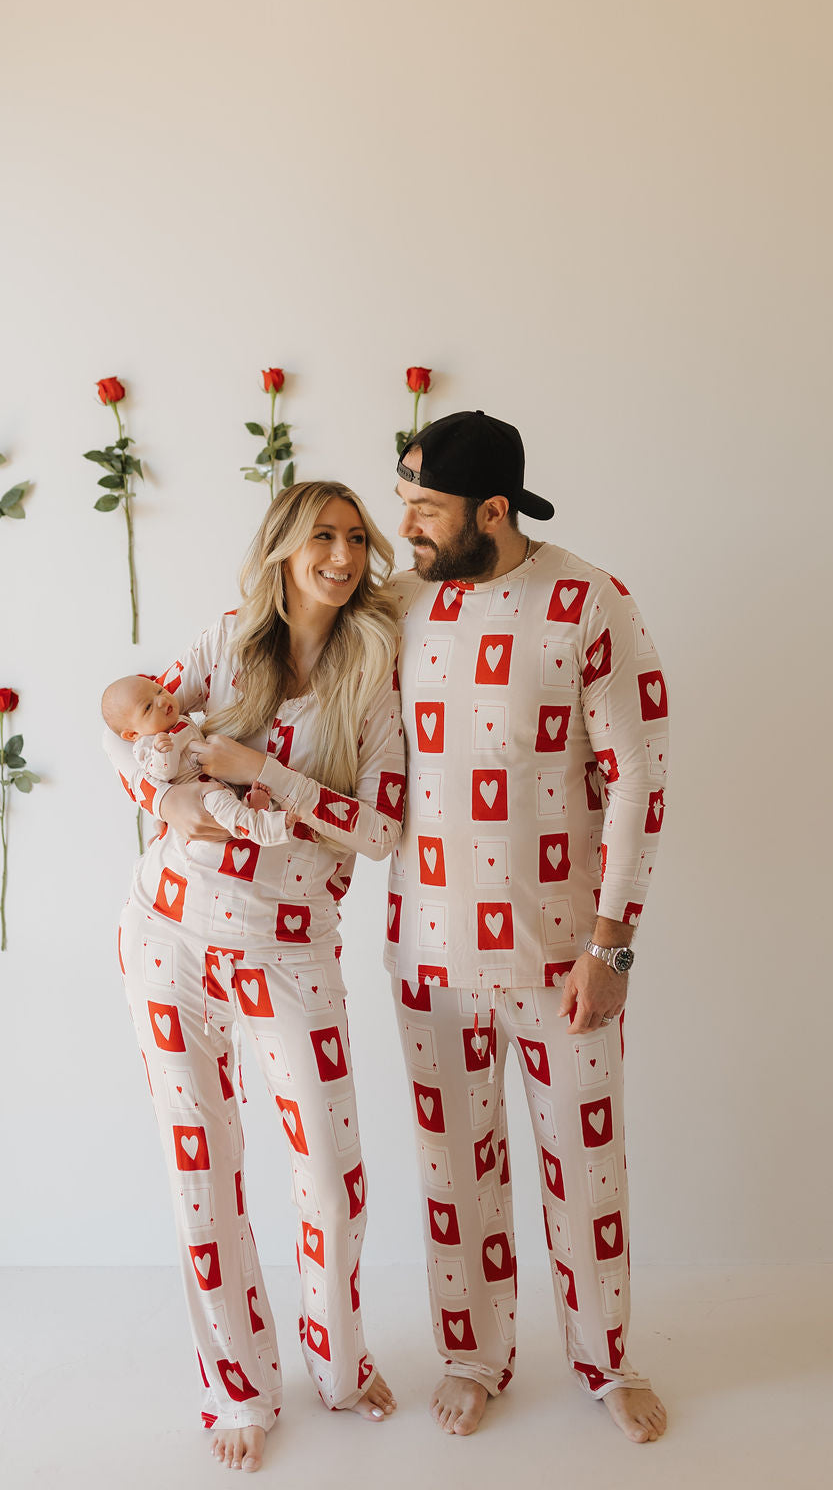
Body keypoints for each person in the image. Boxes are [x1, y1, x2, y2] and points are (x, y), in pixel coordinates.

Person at [104, 482, 404, 1473]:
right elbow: (129, 734)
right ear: (280, 548)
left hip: (288, 951)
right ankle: (236, 1385)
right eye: (321, 535)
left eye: (357, 538)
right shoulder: (227, 640)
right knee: (203, 1179)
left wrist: (261, 772)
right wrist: (171, 796)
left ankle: (339, 1363)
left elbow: (383, 829)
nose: (342, 554)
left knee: (331, 1178)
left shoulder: (375, 674)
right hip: (169, 936)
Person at [386, 410, 669, 1444]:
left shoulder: (589, 601)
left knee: (585, 1169)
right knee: (451, 1167)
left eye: (424, 507)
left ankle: (606, 1361)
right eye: (403, 501)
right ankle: (474, 1352)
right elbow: (271, 648)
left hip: (562, 960)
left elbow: (638, 773)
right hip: (426, 953)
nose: (404, 526)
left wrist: (611, 945)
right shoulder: (398, 606)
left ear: (491, 510)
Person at [101, 673, 293, 847]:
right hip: (198, 794)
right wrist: (162, 753)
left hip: (215, 777)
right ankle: (262, 828)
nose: (160, 700)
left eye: (159, 690)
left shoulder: (181, 719)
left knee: (233, 793)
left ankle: (249, 805)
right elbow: (162, 773)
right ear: (133, 733)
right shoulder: (146, 745)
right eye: (148, 707)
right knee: (219, 801)